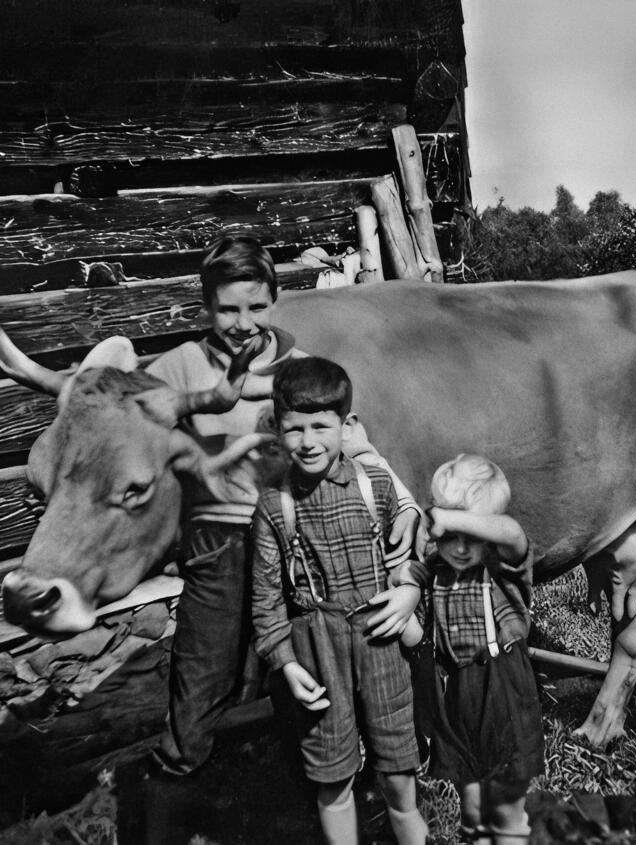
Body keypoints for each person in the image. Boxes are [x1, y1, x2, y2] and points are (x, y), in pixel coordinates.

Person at [146, 235, 417, 778]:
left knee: (305, 647)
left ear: (274, 300)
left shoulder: (300, 367)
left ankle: (305, 758)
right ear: (206, 307)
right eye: (227, 309)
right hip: (218, 539)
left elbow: (355, 443)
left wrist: (405, 502)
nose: (243, 322)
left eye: (256, 306)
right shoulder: (178, 368)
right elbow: (134, 433)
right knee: (205, 659)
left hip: (300, 530)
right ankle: (182, 767)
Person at [251, 357, 428, 844]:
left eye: (321, 427)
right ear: (278, 431)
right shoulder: (274, 506)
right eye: (294, 429)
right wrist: (284, 662)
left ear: (345, 425)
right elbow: (266, 598)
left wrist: (410, 591)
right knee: (332, 781)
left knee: (399, 777)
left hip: (382, 643)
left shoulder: (376, 486)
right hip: (317, 651)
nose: (308, 442)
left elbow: (411, 557)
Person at [401, 454, 544, 845]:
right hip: (455, 685)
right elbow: (408, 576)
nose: (461, 548)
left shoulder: (503, 566)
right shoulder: (435, 568)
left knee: (505, 793)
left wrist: (450, 521)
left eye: (472, 535)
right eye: (450, 537)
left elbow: (513, 533)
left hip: (501, 684)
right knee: (471, 789)